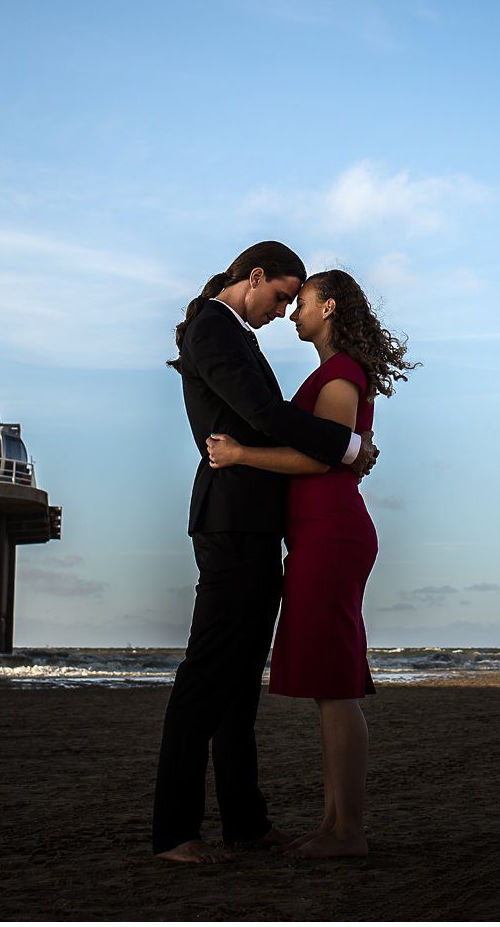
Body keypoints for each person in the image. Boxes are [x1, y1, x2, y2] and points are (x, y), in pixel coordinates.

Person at [152, 241, 377, 865]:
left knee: (238, 683)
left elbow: (263, 419)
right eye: (280, 297)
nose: (282, 312)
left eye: (292, 303)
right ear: (254, 277)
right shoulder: (213, 327)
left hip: (254, 524)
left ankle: (245, 823)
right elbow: (262, 412)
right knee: (208, 674)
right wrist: (346, 447)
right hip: (230, 522)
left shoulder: (236, 334)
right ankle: (174, 831)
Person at [206, 268, 414, 859]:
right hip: (317, 534)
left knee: (336, 685)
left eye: (302, 302)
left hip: (332, 533)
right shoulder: (331, 372)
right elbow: (339, 451)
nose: (292, 313)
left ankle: (348, 831)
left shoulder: (341, 373)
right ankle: (333, 825)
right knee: (330, 683)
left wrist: (241, 454)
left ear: (329, 308)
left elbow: (323, 458)